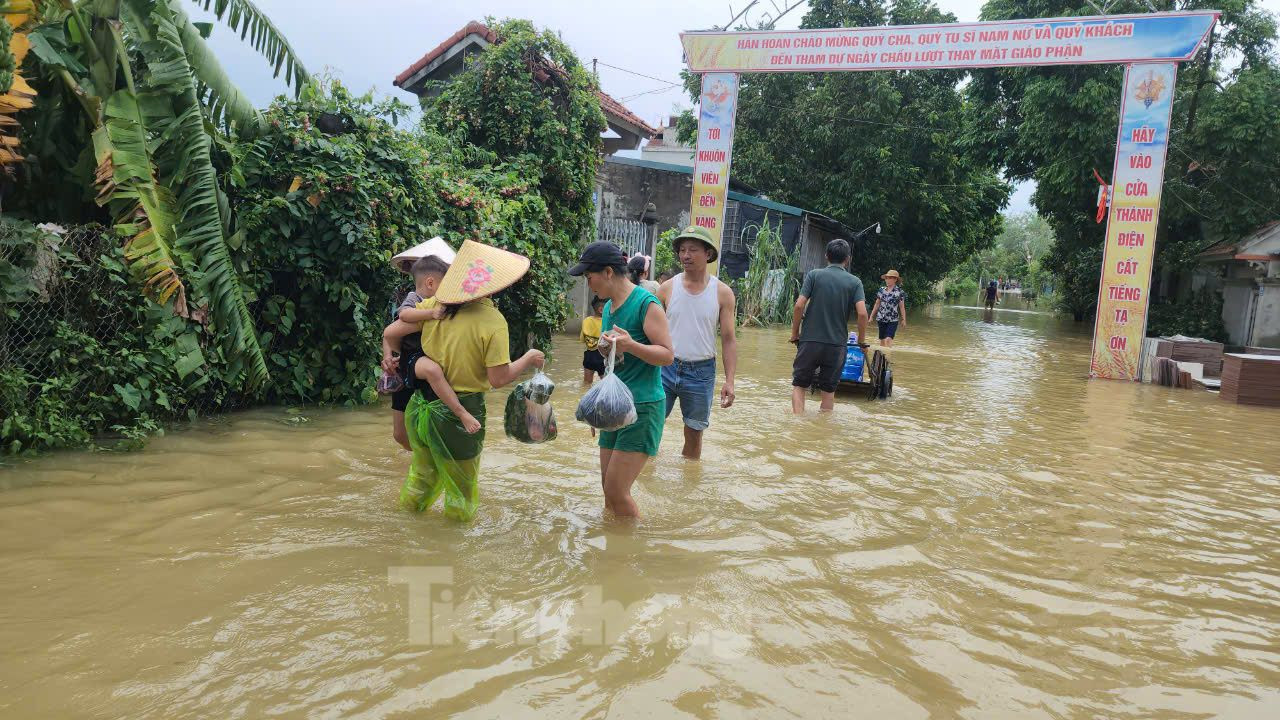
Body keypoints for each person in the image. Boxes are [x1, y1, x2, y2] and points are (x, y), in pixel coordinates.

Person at [393, 240, 545, 522]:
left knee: (421, 478)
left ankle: (406, 538)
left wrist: (388, 355)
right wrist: (528, 358)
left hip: (421, 406)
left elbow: (394, 329)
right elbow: (498, 379)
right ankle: (452, 557)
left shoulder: (434, 305)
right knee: (461, 493)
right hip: (459, 414)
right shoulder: (492, 320)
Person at [569, 241, 673, 519]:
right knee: (607, 489)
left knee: (617, 490)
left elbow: (667, 355)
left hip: (643, 407)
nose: (588, 284)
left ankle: (633, 552)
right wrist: (598, 412)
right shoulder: (609, 310)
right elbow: (610, 366)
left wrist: (631, 346)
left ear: (607, 272)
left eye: (588, 277)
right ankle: (611, 554)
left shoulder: (645, 304)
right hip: (614, 408)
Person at [656, 225, 737, 460]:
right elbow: (648, 332)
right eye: (682, 250)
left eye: (692, 250)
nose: (685, 256)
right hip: (665, 368)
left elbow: (729, 339)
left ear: (708, 254)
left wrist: (730, 381)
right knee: (650, 425)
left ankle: (689, 482)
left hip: (701, 372)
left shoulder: (722, 293)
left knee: (694, 432)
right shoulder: (666, 289)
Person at [383, 238, 457, 450]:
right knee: (400, 433)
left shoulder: (450, 303)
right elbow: (391, 329)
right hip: (409, 361)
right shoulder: (412, 297)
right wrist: (388, 356)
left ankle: (427, 458)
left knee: (432, 425)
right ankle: (420, 456)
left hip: (431, 363)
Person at [790, 238, 867, 414]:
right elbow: (862, 314)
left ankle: (797, 427)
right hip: (836, 345)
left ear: (826, 256)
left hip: (809, 342)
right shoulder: (855, 282)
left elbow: (799, 306)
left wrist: (795, 334)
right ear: (847, 259)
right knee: (828, 391)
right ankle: (823, 429)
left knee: (799, 385)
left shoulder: (814, 275)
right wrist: (861, 342)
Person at [869, 269, 906, 348]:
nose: (887, 280)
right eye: (886, 278)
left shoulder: (900, 292)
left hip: (893, 319)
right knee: (882, 341)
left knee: (888, 339)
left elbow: (902, 306)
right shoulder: (881, 290)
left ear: (895, 279)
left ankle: (888, 358)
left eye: (890, 278)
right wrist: (871, 316)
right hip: (881, 318)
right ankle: (881, 358)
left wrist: (903, 319)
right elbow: (877, 304)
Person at [581, 295, 606, 385]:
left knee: (587, 383)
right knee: (605, 383)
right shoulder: (607, 321)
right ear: (601, 309)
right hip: (603, 356)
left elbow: (582, 339)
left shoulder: (586, 320)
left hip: (589, 356)